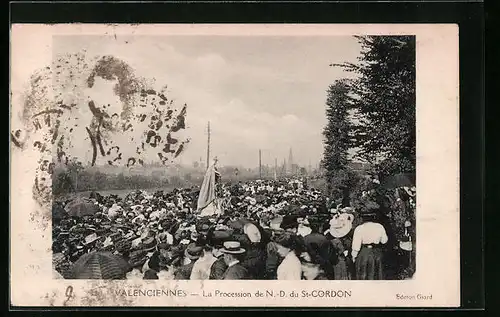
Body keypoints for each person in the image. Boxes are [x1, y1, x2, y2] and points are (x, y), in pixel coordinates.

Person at [351, 199, 388, 280]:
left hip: (364, 253)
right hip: (377, 253)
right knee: (377, 275)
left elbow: (356, 246)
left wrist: (354, 257)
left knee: (364, 276)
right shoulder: (379, 226)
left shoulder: (359, 228)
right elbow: (384, 241)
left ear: (363, 217)